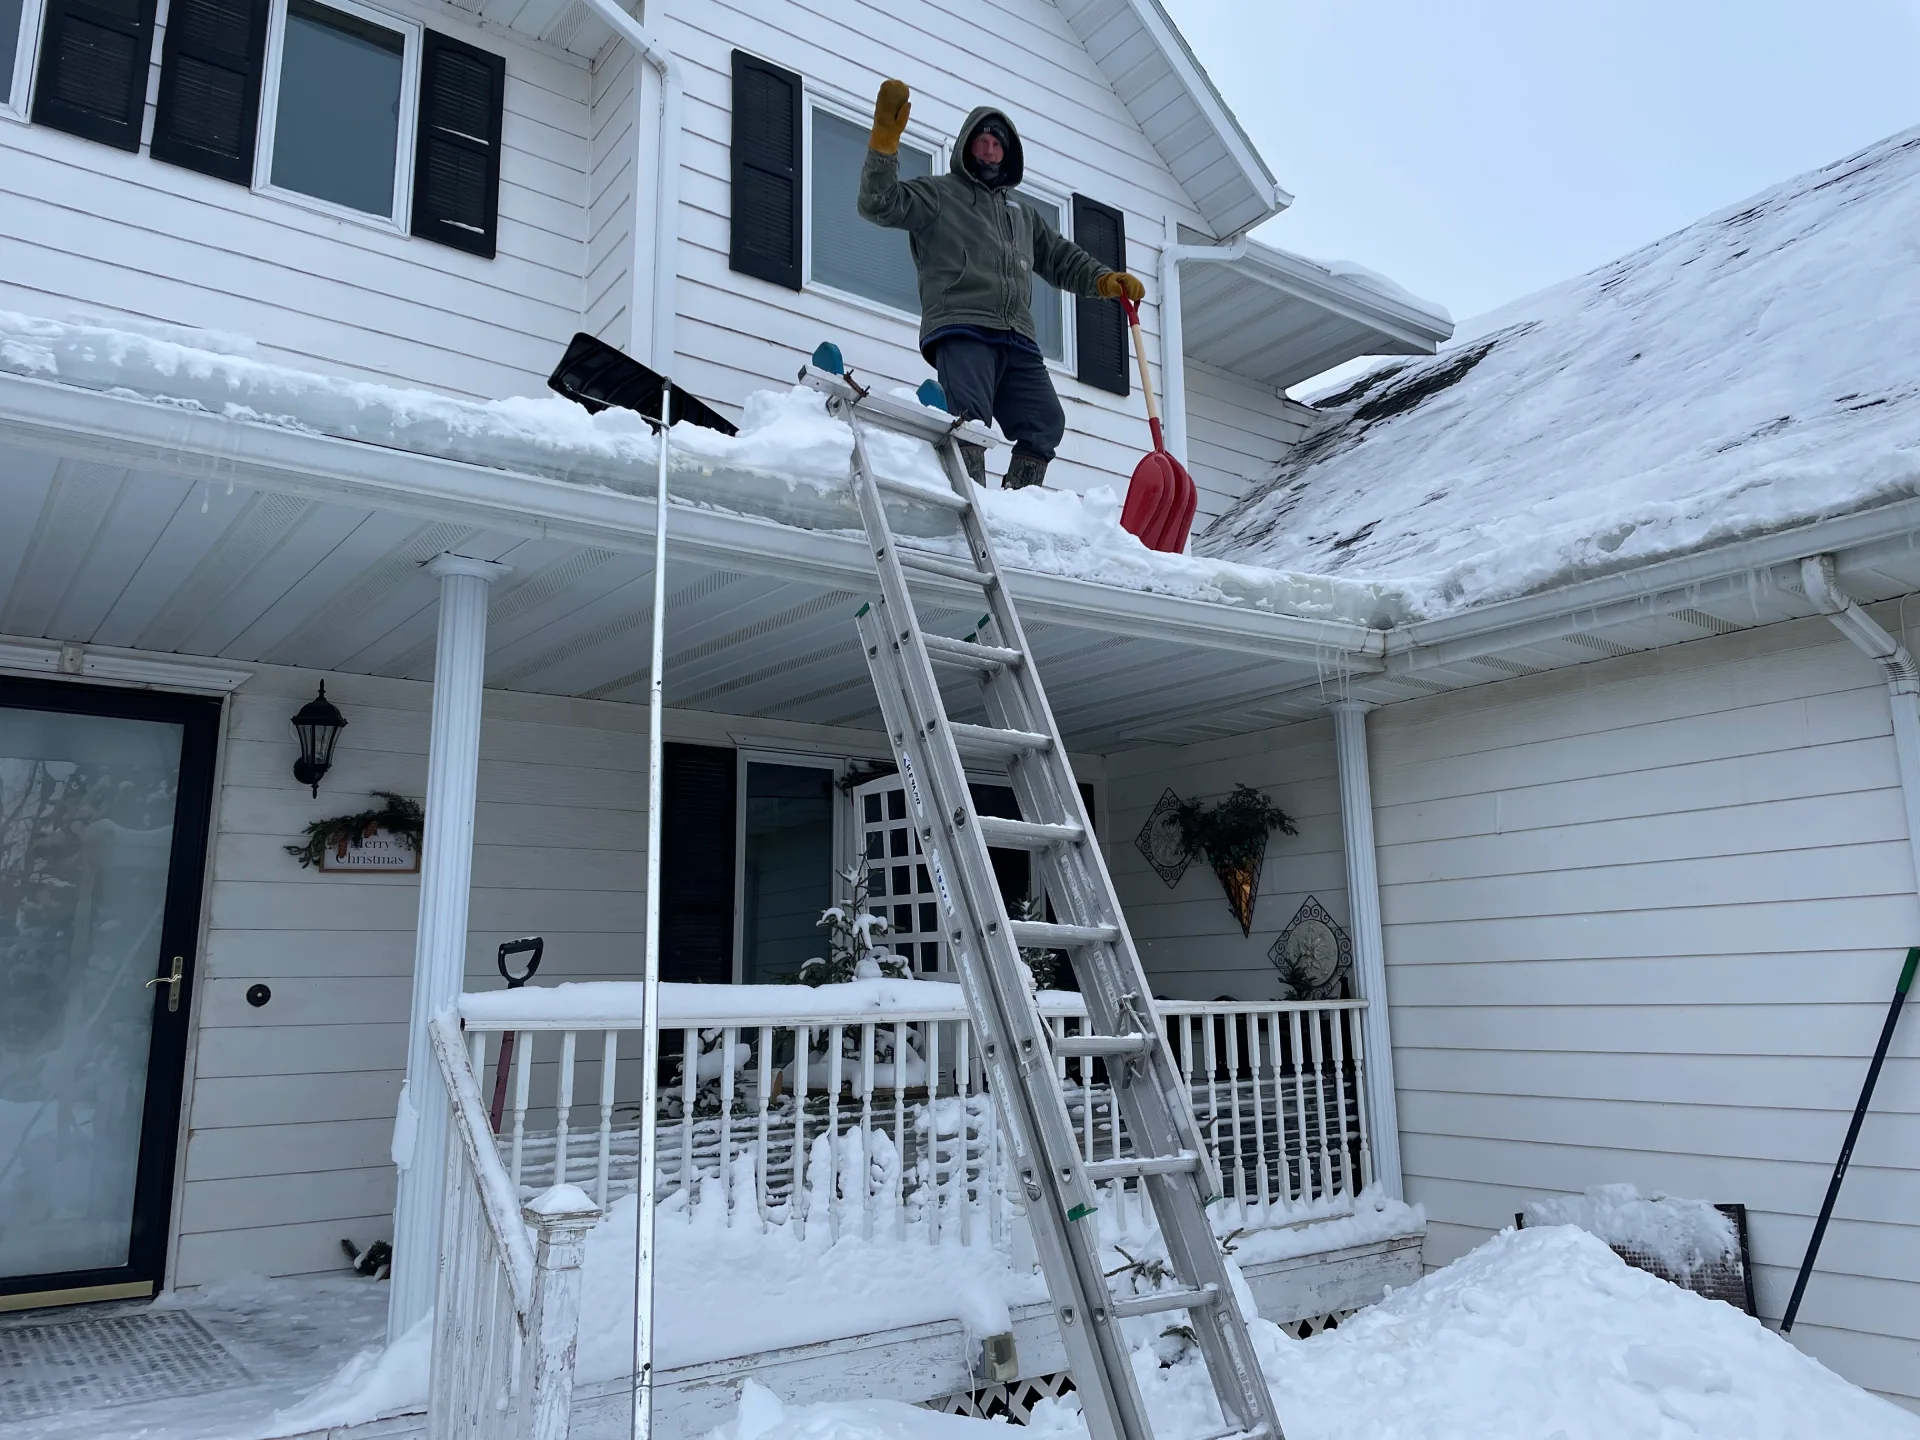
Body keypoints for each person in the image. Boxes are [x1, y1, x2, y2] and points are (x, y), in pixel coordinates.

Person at [858, 80, 1145, 490]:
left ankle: (1016, 505)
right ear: (967, 146)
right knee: (969, 421)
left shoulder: (1022, 215)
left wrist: (1104, 280)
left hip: (1017, 337)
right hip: (964, 324)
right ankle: (969, 498)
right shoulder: (940, 194)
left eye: (997, 144)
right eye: (983, 141)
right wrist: (884, 144)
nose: (990, 150)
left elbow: (1062, 258)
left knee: (1044, 422)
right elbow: (878, 203)